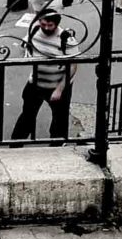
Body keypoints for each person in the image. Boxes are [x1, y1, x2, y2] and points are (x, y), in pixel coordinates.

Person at [10, 9, 76, 144]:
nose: (46, 28)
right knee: (28, 114)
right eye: (43, 24)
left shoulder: (65, 38)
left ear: (56, 24)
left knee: (59, 118)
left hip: (57, 86)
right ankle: (16, 142)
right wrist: (27, 53)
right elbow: (25, 45)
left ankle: (57, 144)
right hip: (35, 83)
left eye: (50, 25)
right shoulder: (34, 31)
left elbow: (73, 66)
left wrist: (59, 89)